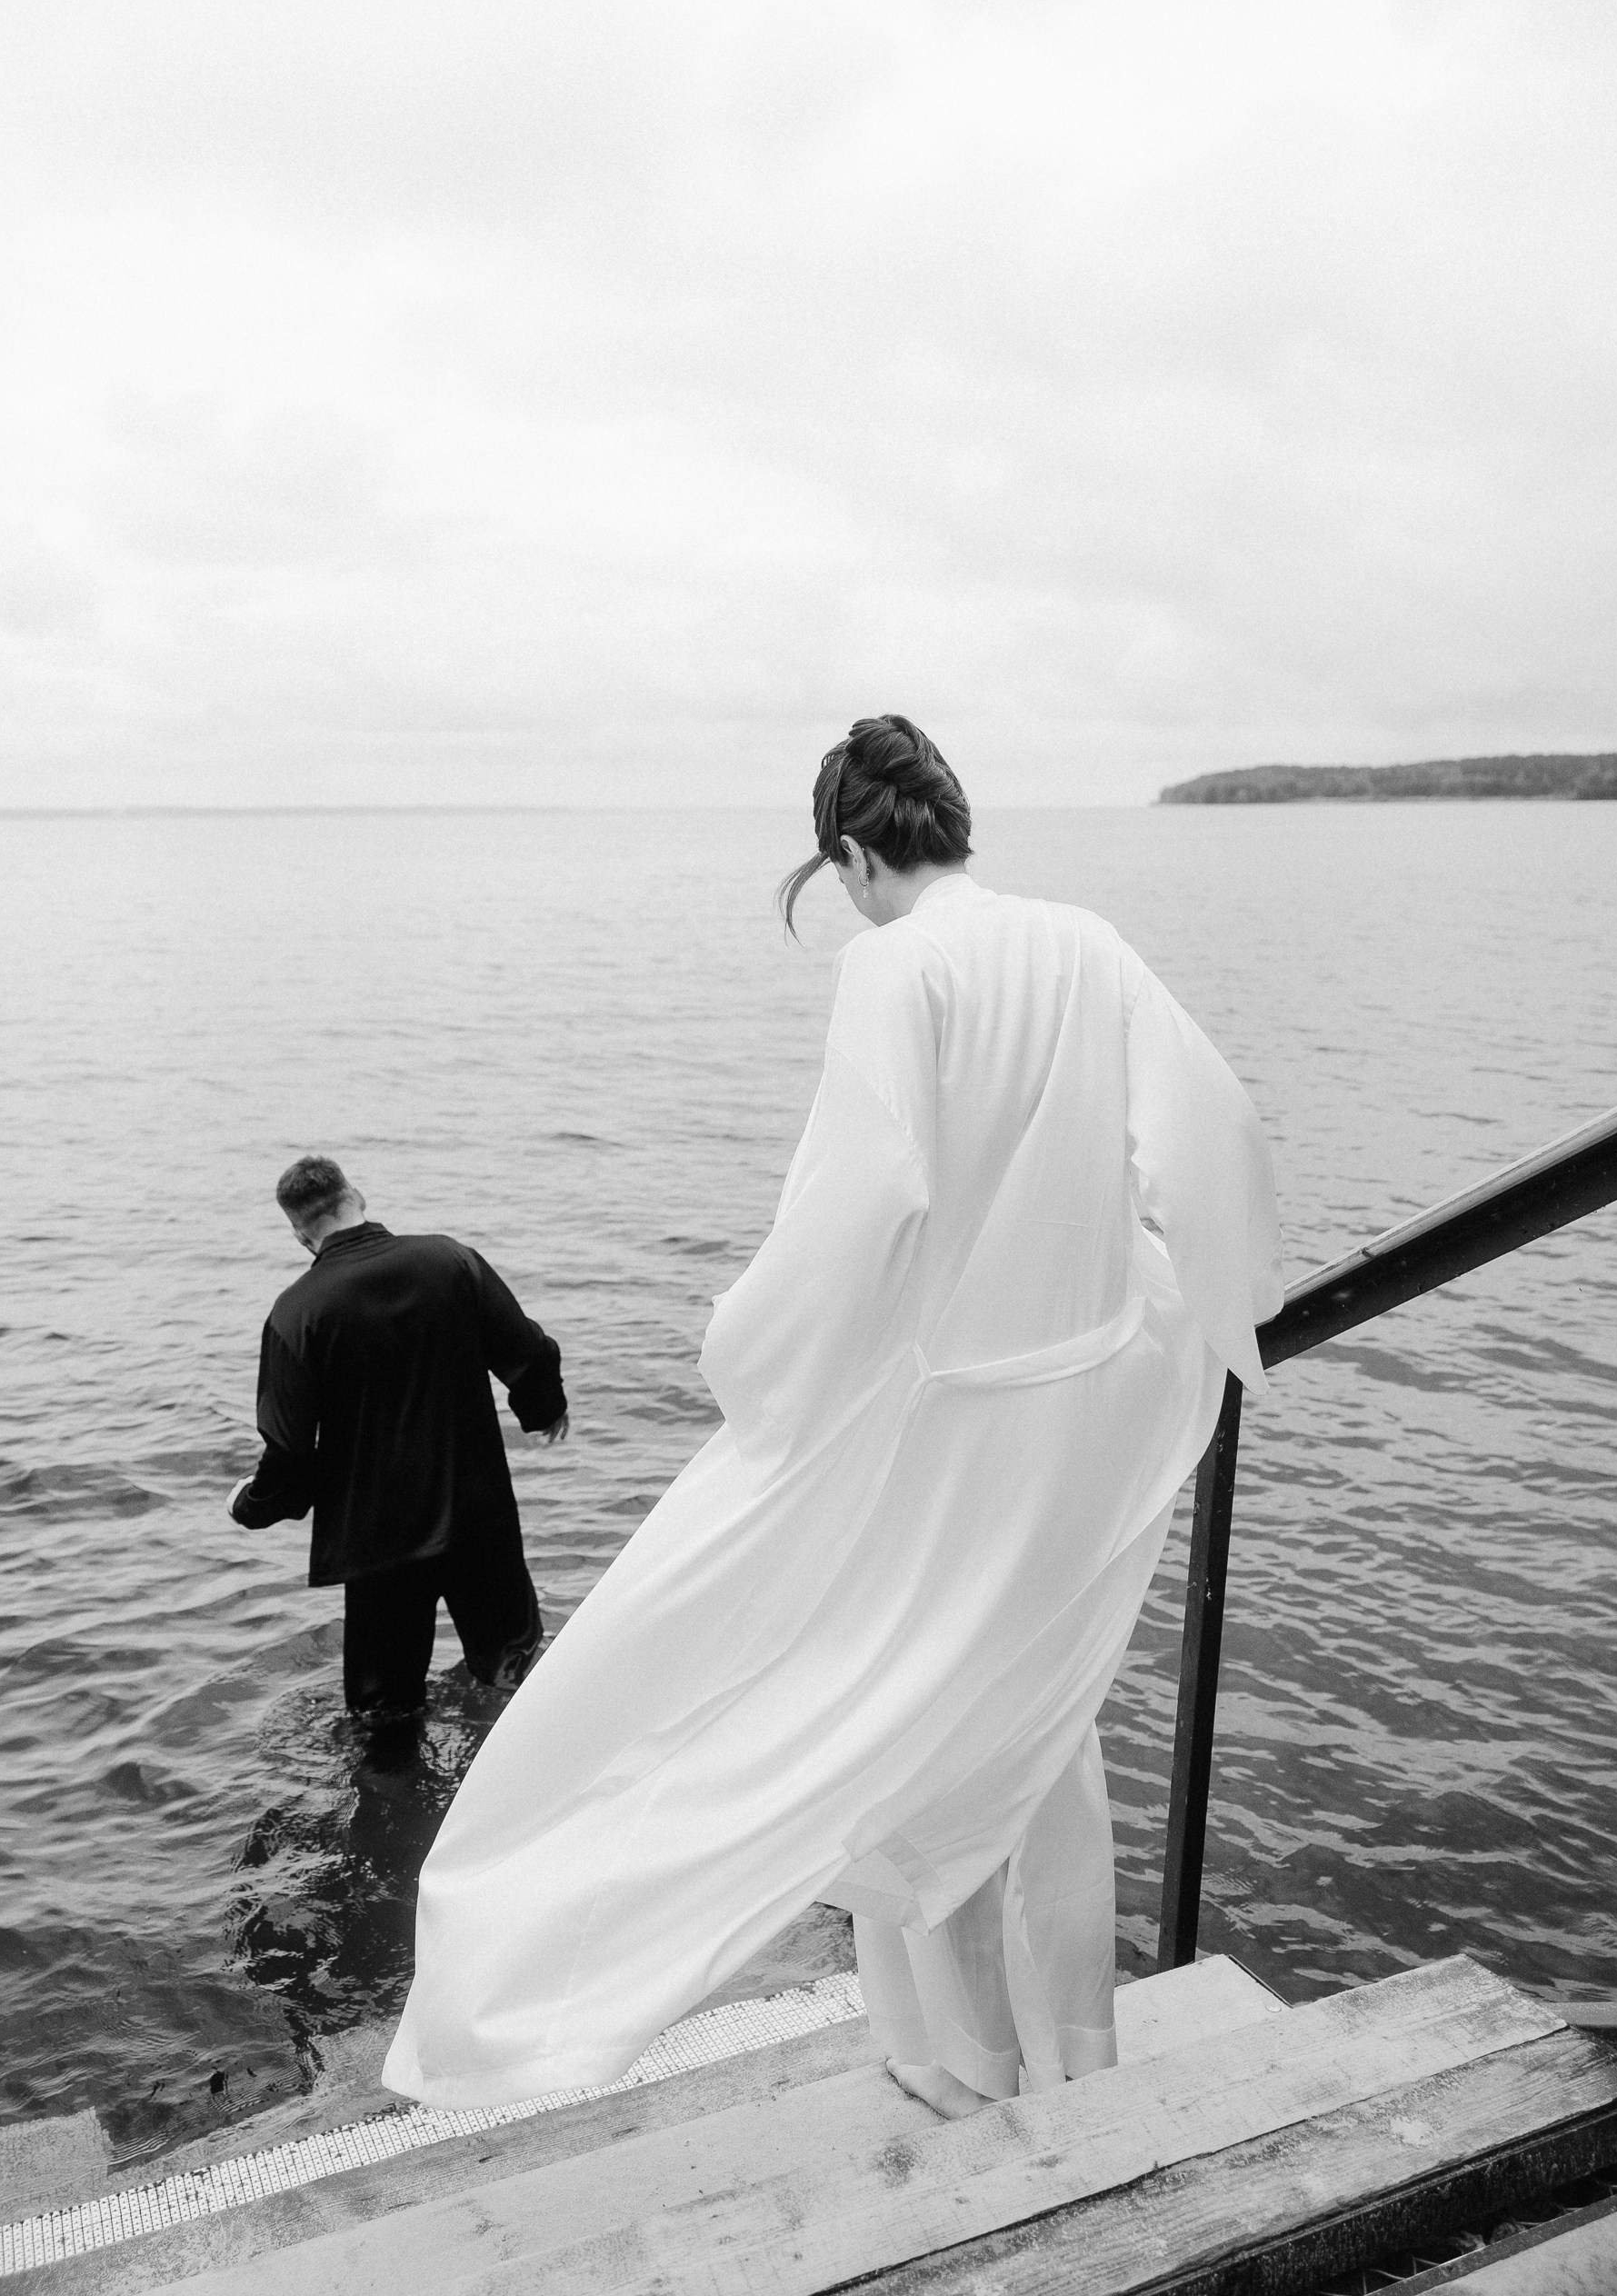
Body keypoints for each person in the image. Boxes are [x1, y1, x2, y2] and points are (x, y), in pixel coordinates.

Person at [382, 716, 1283, 2115]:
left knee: (902, 1732)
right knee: (1040, 1733)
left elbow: (868, 1200)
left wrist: (749, 1356)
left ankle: (960, 2063)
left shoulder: (896, 967)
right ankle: (1074, 2049)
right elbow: (1214, 1129)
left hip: (950, 1440)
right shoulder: (1088, 944)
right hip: (1069, 1431)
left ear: (855, 857)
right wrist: (1195, 1308)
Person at [229, 1157, 569, 1717]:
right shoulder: (449, 1260)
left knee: (385, 1717)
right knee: (518, 1679)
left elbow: (289, 1452)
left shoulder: (297, 1312)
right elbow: (527, 1351)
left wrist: (252, 1504)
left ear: (298, 1233)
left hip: (378, 1546)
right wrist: (544, 1409)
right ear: (356, 1195)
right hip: (478, 1518)